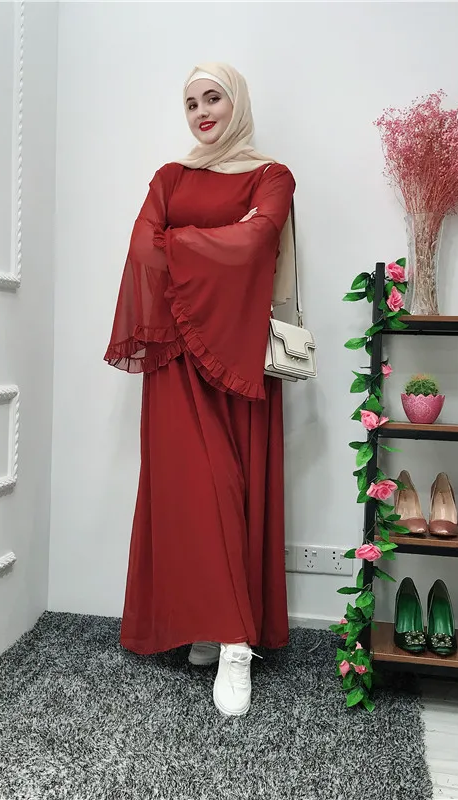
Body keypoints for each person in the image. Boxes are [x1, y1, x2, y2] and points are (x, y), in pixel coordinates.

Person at [104, 62, 296, 717]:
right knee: (190, 492)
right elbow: (142, 248)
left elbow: (257, 240)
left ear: (236, 102)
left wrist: (179, 240)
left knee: (229, 491)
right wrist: (204, 247)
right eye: (191, 103)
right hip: (176, 360)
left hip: (237, 359)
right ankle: (213, 627)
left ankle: (237, 644)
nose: (202, 112)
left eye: (213, 98)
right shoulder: (169, 177)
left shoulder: (272, 176)